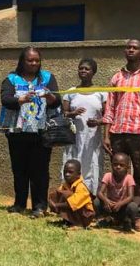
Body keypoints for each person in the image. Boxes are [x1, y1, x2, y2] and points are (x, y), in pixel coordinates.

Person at [0, 46, 61, 218]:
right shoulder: (11, 79)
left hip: (41, 132)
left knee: (40, 170)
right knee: (19, 169)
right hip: (18, 132)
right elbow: (5, 100)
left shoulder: (48, 78)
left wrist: (51, 98)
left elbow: (57, 101)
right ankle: (19, 204)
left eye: (37, 60)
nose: (34, 63)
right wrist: (21, 99)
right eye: (30, 60)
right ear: (22, 61)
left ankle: (39, 206)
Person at [102, 39, 140, 208]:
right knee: (117, 174)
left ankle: (138, 214)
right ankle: (116, 212)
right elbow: (109, 109)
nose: (130, 50)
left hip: (139, 134)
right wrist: (106, 136)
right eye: (128, 47)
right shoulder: (117, 77)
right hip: (117, 133)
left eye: (135, 48)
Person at [62, 58, 107, 195]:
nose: (83, 71)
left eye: (87, 69)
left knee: (92, 166)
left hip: (92, 139)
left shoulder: (102, 93)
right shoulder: (71, 91)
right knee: (73, 164)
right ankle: (70, 197)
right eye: (81, 68)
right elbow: (63, 115)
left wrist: (98, 122)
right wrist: (73, 113)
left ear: (93, 72)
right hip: (74, 138)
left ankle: (91, 197)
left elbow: (108, 117)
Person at [96, 153, 140, 231]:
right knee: (96, 202)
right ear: (111, 165)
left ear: (127, 167)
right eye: (115, 164)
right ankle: (107, 219)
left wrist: (120, 204)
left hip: (122, 207)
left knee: (133, 207)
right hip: (110, 206)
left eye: (121, 165)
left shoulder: (129, 178)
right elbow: (99, 193)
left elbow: (131, 196)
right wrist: (106, 201)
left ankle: (126, 220)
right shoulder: (108, 176)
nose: (118, 167)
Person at [47, 160, 95, 229]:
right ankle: (67, 221)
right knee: (56, 194)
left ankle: (79, 224)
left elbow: (72, 203)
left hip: (85, 216)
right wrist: (51, 202)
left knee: (67, 195)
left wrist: (56, 205)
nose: (67, 174)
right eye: (65, 172)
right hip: (75, 211)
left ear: (78, 174)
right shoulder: (66, 184)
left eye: (70, 172)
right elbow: (57, 195)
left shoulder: (81, 187)